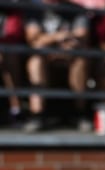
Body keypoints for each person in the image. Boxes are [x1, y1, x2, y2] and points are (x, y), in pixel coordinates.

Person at [23, 0, 91, 132]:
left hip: (69, 55)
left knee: (80, 61)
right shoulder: (33, 8)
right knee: (35, 61)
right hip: (45, 56)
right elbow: (33, 39)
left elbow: (82, 36)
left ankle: (80, 113)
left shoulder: (76, 9)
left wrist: (49, 40)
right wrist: (60, 36)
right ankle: (37, 115)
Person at [0, 5, 25, 127]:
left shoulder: (13, 10)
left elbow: (12, 34)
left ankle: (16, 110)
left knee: (10, 57)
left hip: (7, 48)